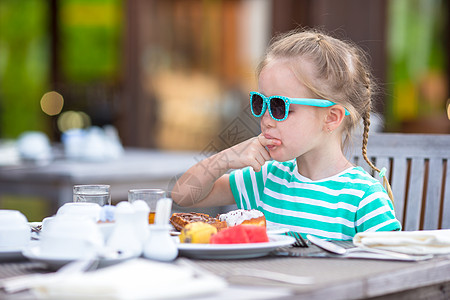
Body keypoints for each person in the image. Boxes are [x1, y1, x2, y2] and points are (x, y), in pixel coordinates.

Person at [171, 28, 401, 240]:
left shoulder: (363, 197)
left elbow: (390, 268)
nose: (267, 120)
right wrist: (226, 158)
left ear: (331, 117)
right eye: (260, 103)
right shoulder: (267, 178)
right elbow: (183, 195)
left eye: (281, 107)